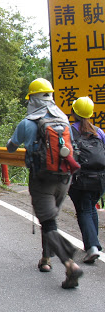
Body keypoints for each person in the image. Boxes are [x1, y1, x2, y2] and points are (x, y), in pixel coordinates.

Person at [7, 77, 83, 289]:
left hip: (41, 179)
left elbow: (11, 147)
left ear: (32, 98)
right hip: (64, 178)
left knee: (48, 223)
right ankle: (46, 260)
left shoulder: (27, 123)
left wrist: (16, 143)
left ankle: (69, 263)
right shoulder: (64, 120)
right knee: (51, 220)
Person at [68, 96, 105, 264]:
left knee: (84, 210)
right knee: (90, 207)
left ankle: (92, 247)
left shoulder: (70, 131)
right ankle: (94, 244)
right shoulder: (99, 132)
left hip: (80, 179)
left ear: (74, 112)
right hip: (100, 179)